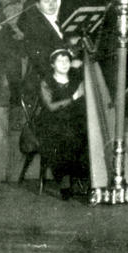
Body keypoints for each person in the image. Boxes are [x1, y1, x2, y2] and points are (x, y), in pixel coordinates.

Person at [34, 49, 89, 199]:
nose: (64, 64)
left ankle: (80, 178)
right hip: (51, 123)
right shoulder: (47, 82)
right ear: (52, 64)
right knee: (66, 136)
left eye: (67, 61)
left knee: (85, 133)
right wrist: (74, 97)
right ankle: (65, 181)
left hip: (73, 120)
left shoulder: (77, 79)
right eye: (60, 61)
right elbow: (51, 107)